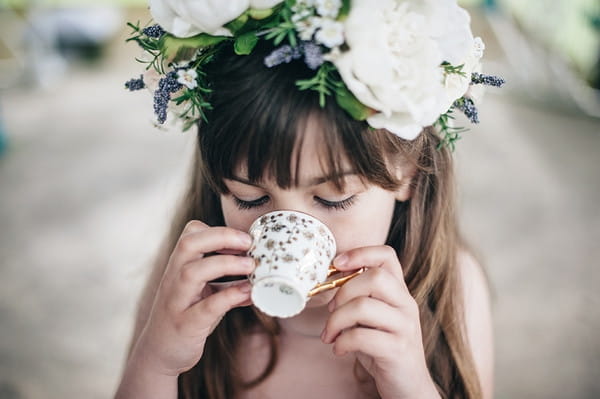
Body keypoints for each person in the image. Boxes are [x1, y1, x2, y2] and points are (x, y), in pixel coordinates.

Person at [116, 1, 501, 398]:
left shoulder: (451, 289)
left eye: (334, 199)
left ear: (407, 172)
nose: (289, 231)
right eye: (249, 198)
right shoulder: (189, 281)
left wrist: (411, 384)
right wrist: (158, 363)